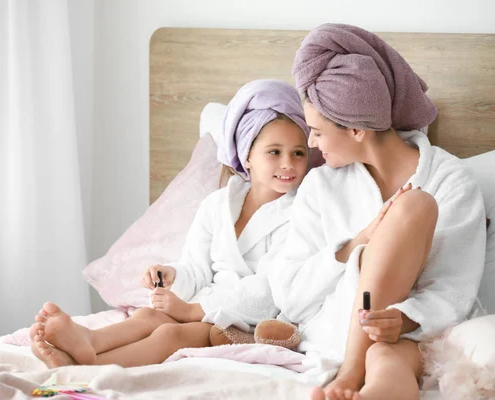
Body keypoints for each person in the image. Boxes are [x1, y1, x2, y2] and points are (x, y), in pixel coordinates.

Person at [268, 24, 486, 400]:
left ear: (355, 129)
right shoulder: (320, 187)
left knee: (415, 205)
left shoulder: (451, 181)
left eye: (317, 131)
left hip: (409, 339)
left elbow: (455, 288)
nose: (310, 143)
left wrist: (403, 319)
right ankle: (352, 373)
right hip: (336, 333)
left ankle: (358, 383)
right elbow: (290, 297)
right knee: (381, 355)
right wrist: (358, 242)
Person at [28, 79, 312, 368]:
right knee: (147, 316)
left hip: (248, 322)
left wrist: (193, 311)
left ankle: (86, 367)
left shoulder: (301, 213)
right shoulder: (217, 205)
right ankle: (89, 340)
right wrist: (172, 275)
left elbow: (269, 290)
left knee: (171, 333)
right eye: (274, 152)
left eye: (298, 152)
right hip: (204, 304)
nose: (288, 163)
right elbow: (196, 268)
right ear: (247, 155)